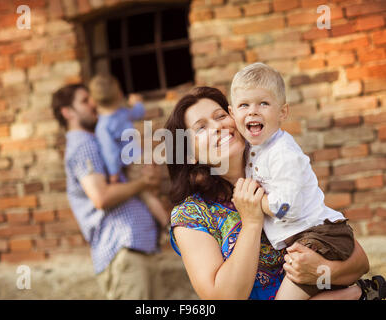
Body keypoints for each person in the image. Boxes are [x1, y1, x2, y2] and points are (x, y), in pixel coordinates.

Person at [164, 86, 377, 300]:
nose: (218, 126)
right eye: (201, 128)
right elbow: (223, 297)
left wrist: (322, 272)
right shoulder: (191, 215)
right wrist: (252, 223)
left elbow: (359, 261)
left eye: (221, 116)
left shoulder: (275, 174)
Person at [228, 62, 386, 299]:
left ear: (283, 112)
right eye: (244, 105)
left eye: (263, 103)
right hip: (305, 238)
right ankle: (361, 295)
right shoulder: (254, 147)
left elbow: (287, 208)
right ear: (232, 114)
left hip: (321, 236)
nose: (253, 111)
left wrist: (255, 203)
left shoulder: (283, 152)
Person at [52, 83, 160, 299]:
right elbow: (101, 197)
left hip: (134, 249)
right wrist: (142, 184)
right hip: (123, 252)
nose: (93, 104)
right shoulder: (83, 145)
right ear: (67, 112)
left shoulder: (97, 139)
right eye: (84, 101)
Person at [89, 74, 169, 229]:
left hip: (131, 164)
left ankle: (166, 223)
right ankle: (162, 221)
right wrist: (137, 102)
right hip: (141, 156)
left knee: (147, 195)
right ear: (119, 94)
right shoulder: (124, 112)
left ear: (93, 101)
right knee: (153, 192)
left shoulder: (103, 127)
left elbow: (110, 152)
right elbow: (138, 112)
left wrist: (114, 174)